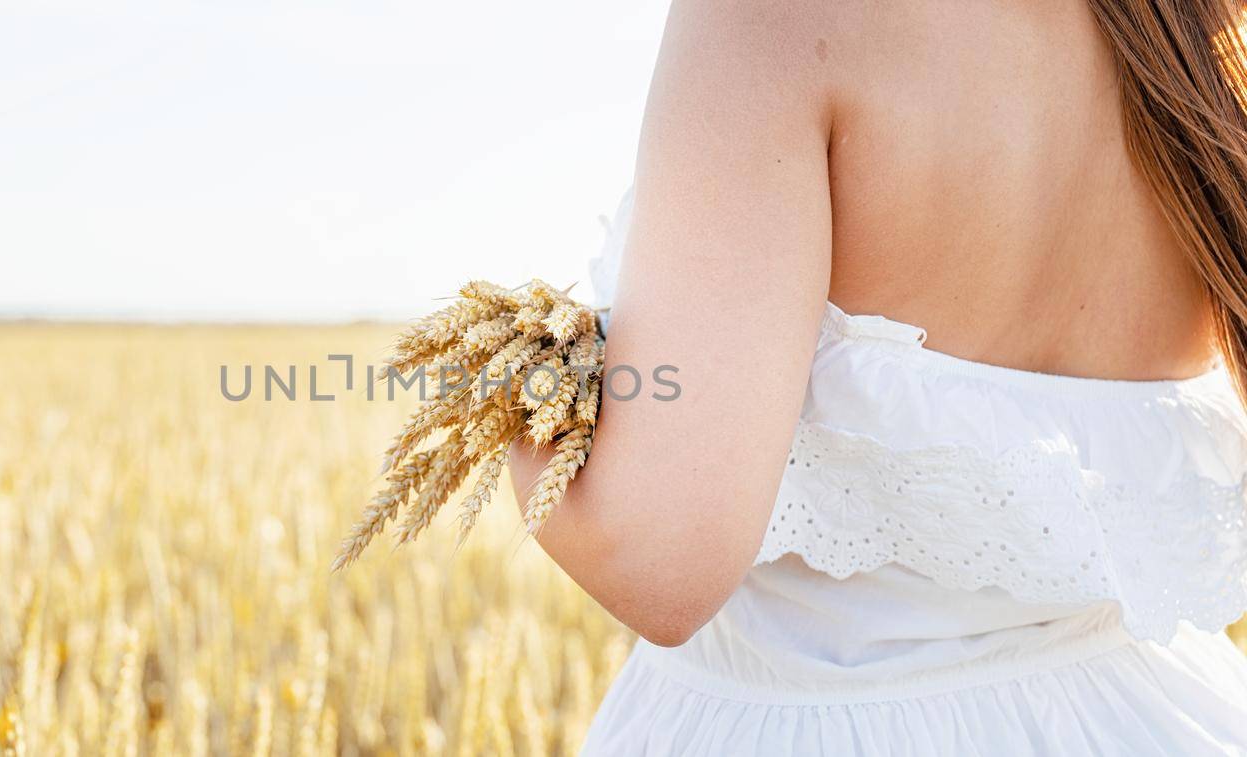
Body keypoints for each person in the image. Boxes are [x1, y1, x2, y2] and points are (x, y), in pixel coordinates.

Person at [508, 0, 1247, 752]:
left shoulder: (768, 19)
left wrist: (510, 387)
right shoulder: (1204, 34)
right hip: (1154, 717)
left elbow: (661, 562)